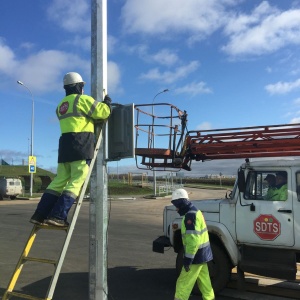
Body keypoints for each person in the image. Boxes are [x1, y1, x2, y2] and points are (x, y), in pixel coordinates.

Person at [30, 72, 112, 227]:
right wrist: (107, 102)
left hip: (65, 146)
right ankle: (58, 216)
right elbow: (103, 113)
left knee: (58, 181)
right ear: (79, 86)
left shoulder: (61, 106)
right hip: (81, 145)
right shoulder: (83, 100)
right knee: (76, 180)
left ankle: (39, 214)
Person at [171, 188, 215, 300]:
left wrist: (188, 259)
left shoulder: (190, 216)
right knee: (205, 283)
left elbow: (193, 241)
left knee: (183, 283)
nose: (176, 209)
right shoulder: (196, 211)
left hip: (195, 256)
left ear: (181, 203)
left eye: (176, 205)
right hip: (203, 254)